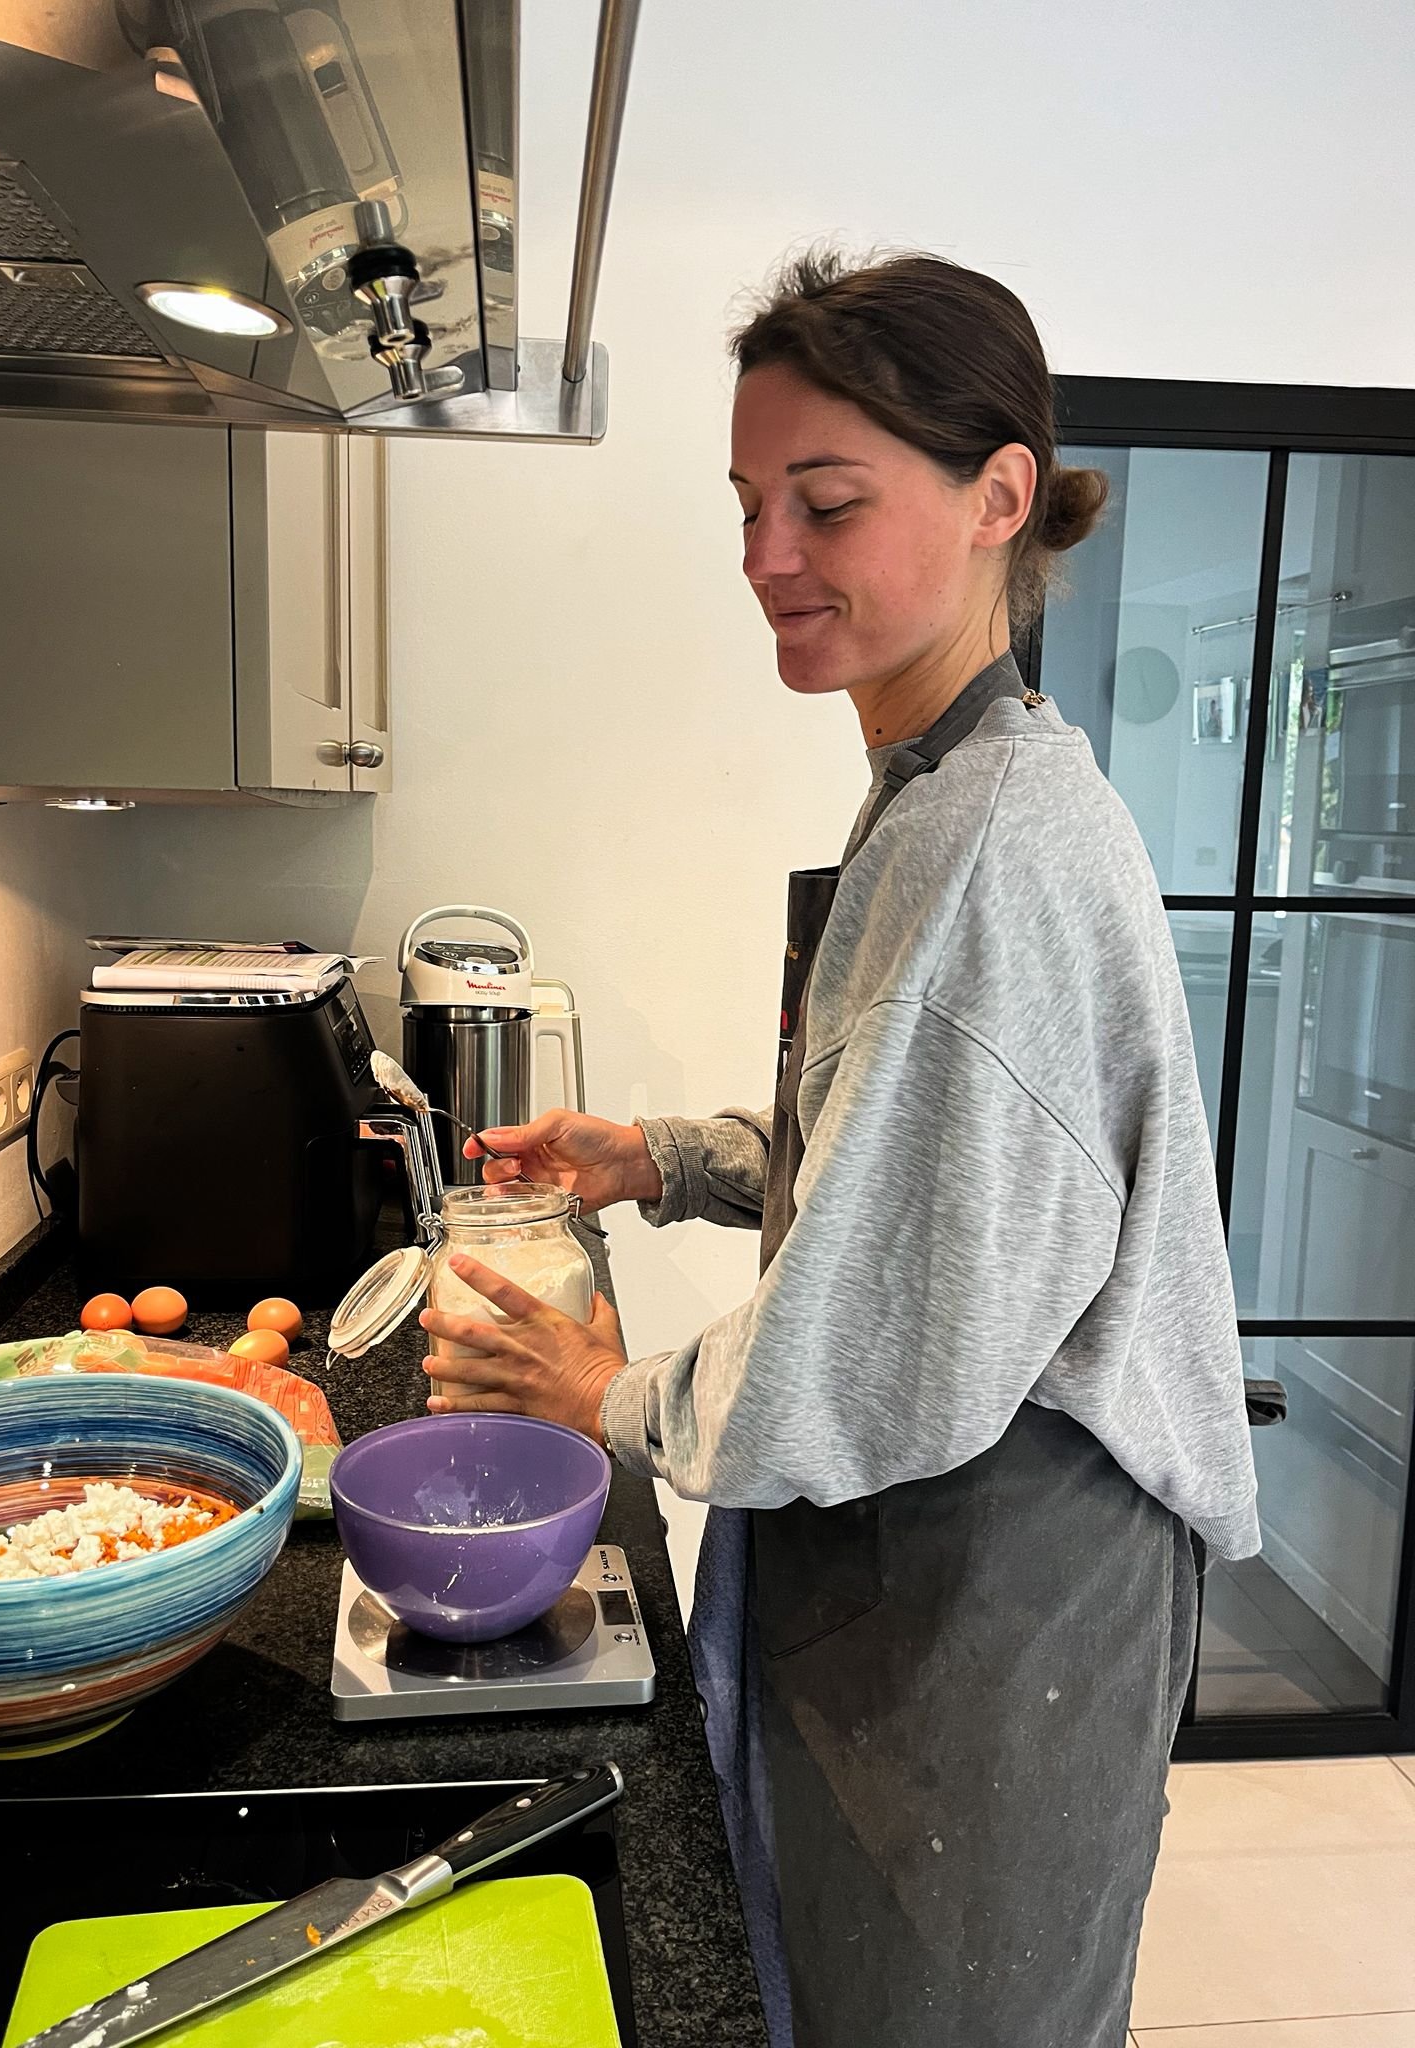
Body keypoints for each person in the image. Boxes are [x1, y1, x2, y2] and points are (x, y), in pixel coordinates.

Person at [415, 250, 1261, 2048]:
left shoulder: (994, 846)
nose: (767, 556)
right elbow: (909, 1146)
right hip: (931, 1542)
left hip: (1006, 1581)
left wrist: (605, 1395)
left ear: (999, 498)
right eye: (748, 504)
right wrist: (662, 1156)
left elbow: (894, 1319)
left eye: (826, 501)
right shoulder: (947, 783)